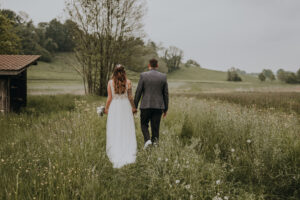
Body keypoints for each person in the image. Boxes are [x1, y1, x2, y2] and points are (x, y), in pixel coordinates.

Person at [104, 64, 137, 168]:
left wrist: (106, 108)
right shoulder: (128, 82)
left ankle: (115, 149)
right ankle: (127, 149)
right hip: (125, 107)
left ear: (114, 72)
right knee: (126, 128)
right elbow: (130, 97)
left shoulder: (110, 82)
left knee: (115, 128)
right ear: (124, 72)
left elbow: (109, 98)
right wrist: (134, 107)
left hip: (115, 107)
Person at [134, 58, 169, 149]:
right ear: (157, 66)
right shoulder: (163, 77)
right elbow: (166, 94)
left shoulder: (143, 75)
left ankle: (147, 140)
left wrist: (135, 106)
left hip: (145, 105)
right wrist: (166, 109)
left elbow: (138, 92)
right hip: (158, 107)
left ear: (149, 65)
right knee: (155, 127)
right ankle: (155, 146)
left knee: (143, 124)